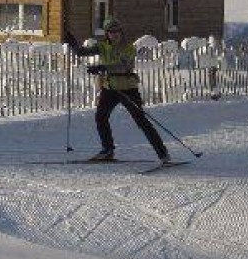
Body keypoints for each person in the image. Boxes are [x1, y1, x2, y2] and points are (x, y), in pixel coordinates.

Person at [64, 18, 170, 163]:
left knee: (141, 121)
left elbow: (124, 66)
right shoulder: (102, 46)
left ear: (121, 32)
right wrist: (73, 43)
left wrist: (103, 68)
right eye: (111, 32)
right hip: (110, 89)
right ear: (107, 33)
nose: (115, 34)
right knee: (101, 117)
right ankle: (107, 150)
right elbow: (82, 52)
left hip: (128, 89)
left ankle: (163, 153)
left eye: (117, 31)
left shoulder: (128, 48)